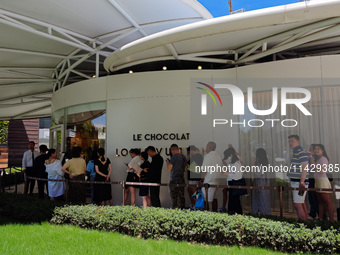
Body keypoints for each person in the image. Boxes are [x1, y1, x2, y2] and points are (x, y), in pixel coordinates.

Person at [287, 135, 309, 221]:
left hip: (298, 182)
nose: (290, 143)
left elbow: (305, 166)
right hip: (297, 182)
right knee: (301, 202)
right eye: (289, 141)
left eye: (292, 141)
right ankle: (305, 222)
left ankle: (302, 224)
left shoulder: (300, 151)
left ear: (298, 142)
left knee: (297, 204)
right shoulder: (297, 152)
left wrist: (302, 182)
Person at [310, 144, 334, 221]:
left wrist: (312, 160)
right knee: (320, 202)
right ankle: (321, 219)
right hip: (317, 181)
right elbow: (313, 169)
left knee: (327, 201)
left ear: (323, 150)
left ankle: (332, 220)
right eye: (315, 149)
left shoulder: (323, 159)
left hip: (322, 181)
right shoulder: (318, 159)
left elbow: (321, 171)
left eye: (318, 149)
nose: (316, 150)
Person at [201, 141, 225, 212]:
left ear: (209, 147)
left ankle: (207, 215)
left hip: (209, 180)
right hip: (217, 180)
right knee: (214, 198)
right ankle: (215, 214)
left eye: (207, 146)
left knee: (206, 199)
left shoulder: (208, 156)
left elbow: (205, 169)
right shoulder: (218, 156)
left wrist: (202, 179)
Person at [224, 147, 244, 214]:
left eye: (227, 156)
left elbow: (236, 176)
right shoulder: (233, 163)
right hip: (231, 184)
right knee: (233, 201)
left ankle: (235, 214)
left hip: (234, 184)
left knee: (234, 201)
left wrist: (227, 174)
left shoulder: (236, 164)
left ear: (231, 155)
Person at [166, 144, 186, 209]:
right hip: (181, 179)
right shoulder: (183, 157)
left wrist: (167, 162)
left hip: (174, 179)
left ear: (173, 150)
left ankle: (174, 210)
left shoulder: (174, 157)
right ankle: (182, 210)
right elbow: (185, 169)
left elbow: (169, 168)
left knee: (173, 197)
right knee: (181, 196)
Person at [252, 148, 271, 215]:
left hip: (259, 183)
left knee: (259, 199)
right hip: (265, 183)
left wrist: (253, 167)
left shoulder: (258, 164)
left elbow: (257, 174)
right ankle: (266, 213)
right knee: (265, 199)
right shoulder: (266, 163)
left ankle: (258, 213)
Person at [186, 145, 203, 210]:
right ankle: (194, 205)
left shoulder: (198, 157)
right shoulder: (194, 157)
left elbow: (198, 169)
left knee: (195, 192)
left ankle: (197, 206)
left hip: (195, 178)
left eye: (188, 152)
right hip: (192, 178)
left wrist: (188, 166)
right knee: (191, 191)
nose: (188, 154)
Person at [307, 144, 319, 219]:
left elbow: (314, 168)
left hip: (314, 179)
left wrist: (310, 157)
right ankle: (313, 213)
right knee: (310, 197)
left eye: (312, 148)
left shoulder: (316, 158)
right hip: (309, 178)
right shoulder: (309, 158)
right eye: (310, 148)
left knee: (314, 197)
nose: (310, 150)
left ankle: (316, 214)